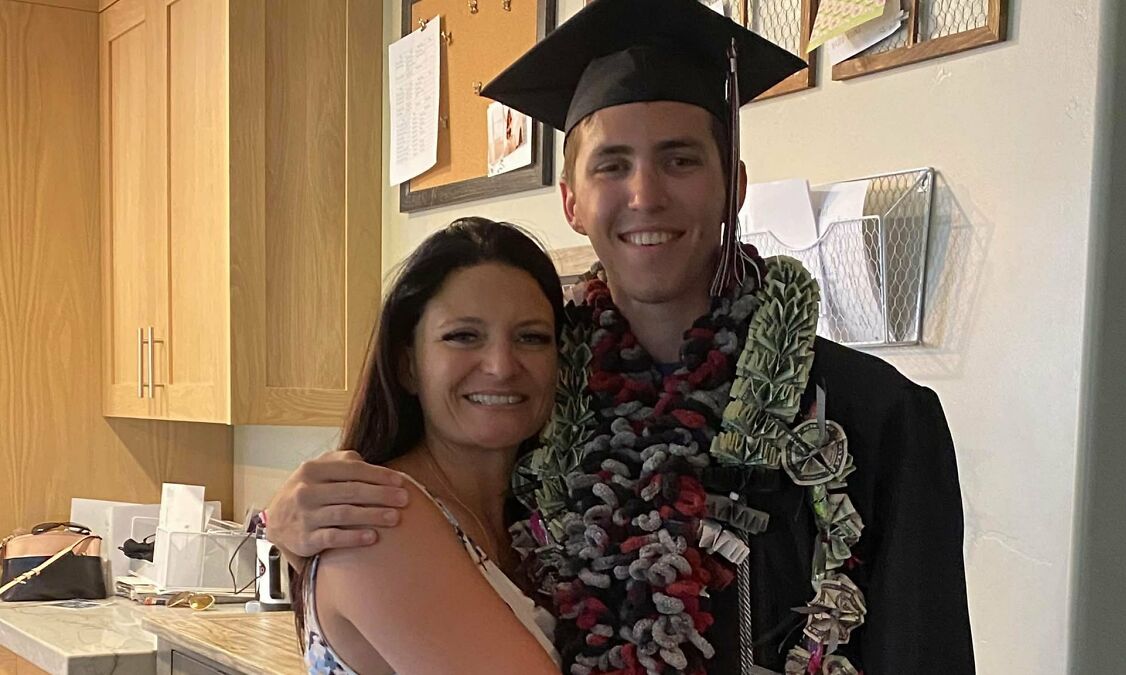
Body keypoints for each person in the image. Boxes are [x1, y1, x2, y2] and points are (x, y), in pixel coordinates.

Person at [270, 0, 975, 672]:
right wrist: (291, 523)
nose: (645, 194)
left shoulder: (869, 416)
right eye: (612, 164)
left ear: (734, 185)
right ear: (572, 199)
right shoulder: (537, 411)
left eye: (681, 159)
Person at [294, 218, 563, 674]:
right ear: (407, 366)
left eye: (531, 337)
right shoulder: (381, 520)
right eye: (463, 336)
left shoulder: (544, 519)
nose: (501, 366)